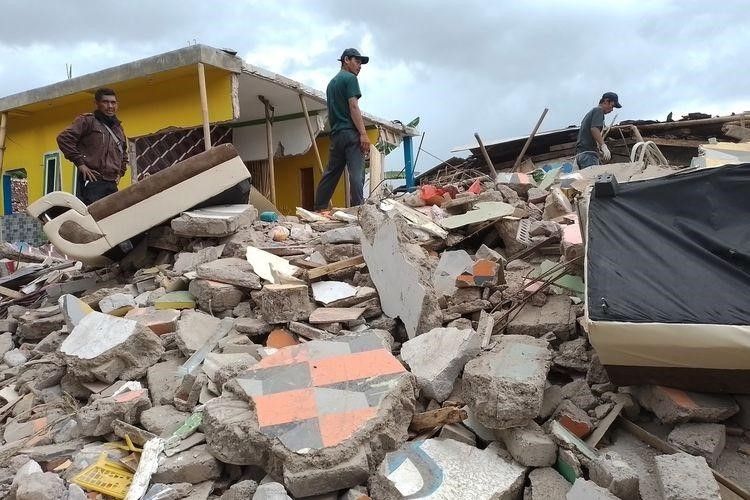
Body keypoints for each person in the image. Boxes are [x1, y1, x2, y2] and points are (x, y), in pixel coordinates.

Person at [314, 48, 371, 210]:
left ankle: (319, 207)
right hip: (350, 133)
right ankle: (359, 209)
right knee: (357, 173)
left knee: (331, 173)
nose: (359, 66)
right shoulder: (350, 78)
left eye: (361, 63)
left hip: (336, 135)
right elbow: (353, 106)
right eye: (357, 62)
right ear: (346, 60)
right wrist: (363, 134)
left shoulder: (331, 83)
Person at [57, 88, 128, 205]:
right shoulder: (87, 121)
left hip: (112, 184)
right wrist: (80, 164)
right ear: (97, 103)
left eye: (113, 102)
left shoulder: (118, 128)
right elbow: (63, 139)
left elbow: (124, 153)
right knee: (94, 219)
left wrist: (120, 173)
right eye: (105, 102)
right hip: (93, 182)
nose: (110, 106)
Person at [574, 92, 622, 169]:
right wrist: (603, 146)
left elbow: (589, 134)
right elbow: (594, 129)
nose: (612, 109)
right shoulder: (599, 111)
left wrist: (598, 149)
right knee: (593, 179)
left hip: (582, 153)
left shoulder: (591, 112)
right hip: (588, 155)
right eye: (612, 106)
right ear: (606, 101)